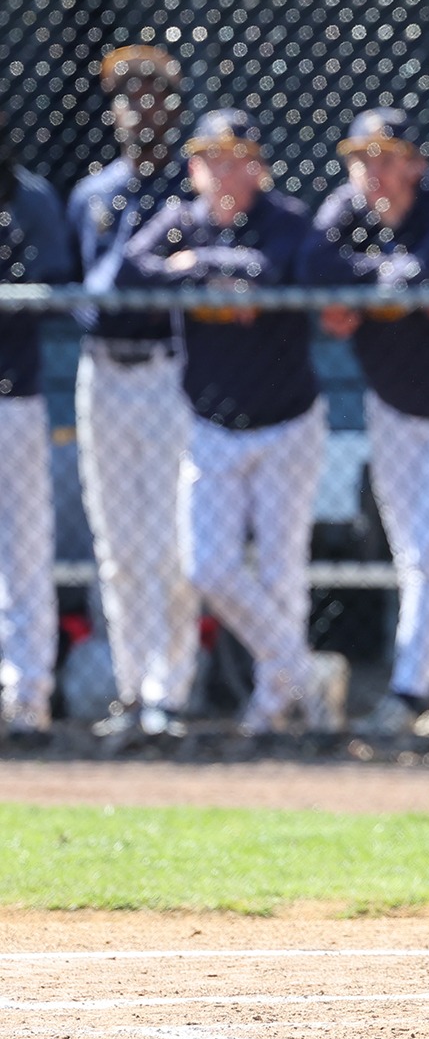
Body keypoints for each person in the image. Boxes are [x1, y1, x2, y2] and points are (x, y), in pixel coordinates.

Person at [117, 110, 349, 739]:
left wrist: (199, 264)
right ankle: (303, 672)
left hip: (286, 422)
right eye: (209, 159)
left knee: (280, 571)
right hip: (211, 423)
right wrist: (197, 265)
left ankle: (273, 708)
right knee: (206, 566)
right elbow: (128, 270)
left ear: (257, 168)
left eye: (233, 158)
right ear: (193, 169)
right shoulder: (180, 219)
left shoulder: (285, 219)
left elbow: (272, 269)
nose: (220, 171)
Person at [298, 108, 429, 740]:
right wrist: (379, 288)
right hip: (392, 405)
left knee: (428, 551)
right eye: (362, 159)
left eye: (387, 158)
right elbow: (311, 268)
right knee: (415, 555)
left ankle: (407, 692)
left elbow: (425, 279)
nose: (373, 172)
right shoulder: (344, 212)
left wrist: (361, 294)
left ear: (416, 163)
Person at [67, 45, 199, 743]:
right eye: (127, 96)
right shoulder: (91, 194)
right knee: (116, 545)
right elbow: (79, 291)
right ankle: (128, 686)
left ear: (173, 108)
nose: (139, 108)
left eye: (153, 95)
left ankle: (166, 694)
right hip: (103, 372)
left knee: (170, 544)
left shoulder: (189, 190)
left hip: (166, 370)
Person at [0, 126, 75, 738]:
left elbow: (52, 283)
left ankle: (27, 696)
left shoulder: (29, 199)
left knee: (23, 551)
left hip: (12, 397)